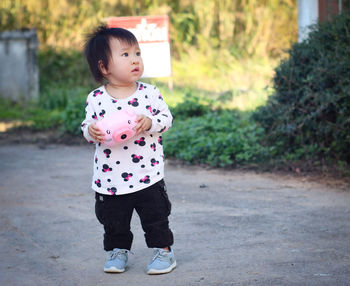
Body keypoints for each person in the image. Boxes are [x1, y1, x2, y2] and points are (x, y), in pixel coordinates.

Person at [81, 25, 176, 275]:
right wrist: (91, 131)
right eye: (125, 55)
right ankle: (117, 251)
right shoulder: (96, 98)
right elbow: (87, 125)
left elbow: (167, 118)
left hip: (147, 174)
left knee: (155, 216)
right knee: (113, 221)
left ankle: (164, 252)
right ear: (104, 67)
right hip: (110, 177)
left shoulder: (149, 93)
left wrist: (151, 121)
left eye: (137, 53)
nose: (135, 59)